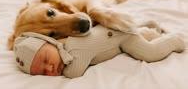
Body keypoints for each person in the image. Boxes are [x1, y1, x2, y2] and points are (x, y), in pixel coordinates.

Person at [13, 22, 185, 78]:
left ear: (49, 42)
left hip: (121, 37)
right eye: (43, 72)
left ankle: (175, 40)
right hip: (114, 35)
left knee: (150, 53)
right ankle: (148, 30)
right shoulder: (64, 49)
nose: (49, 68)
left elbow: (75, 71)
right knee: (139, 36)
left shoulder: (73, 48)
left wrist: (65, 70)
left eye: (45, 59)